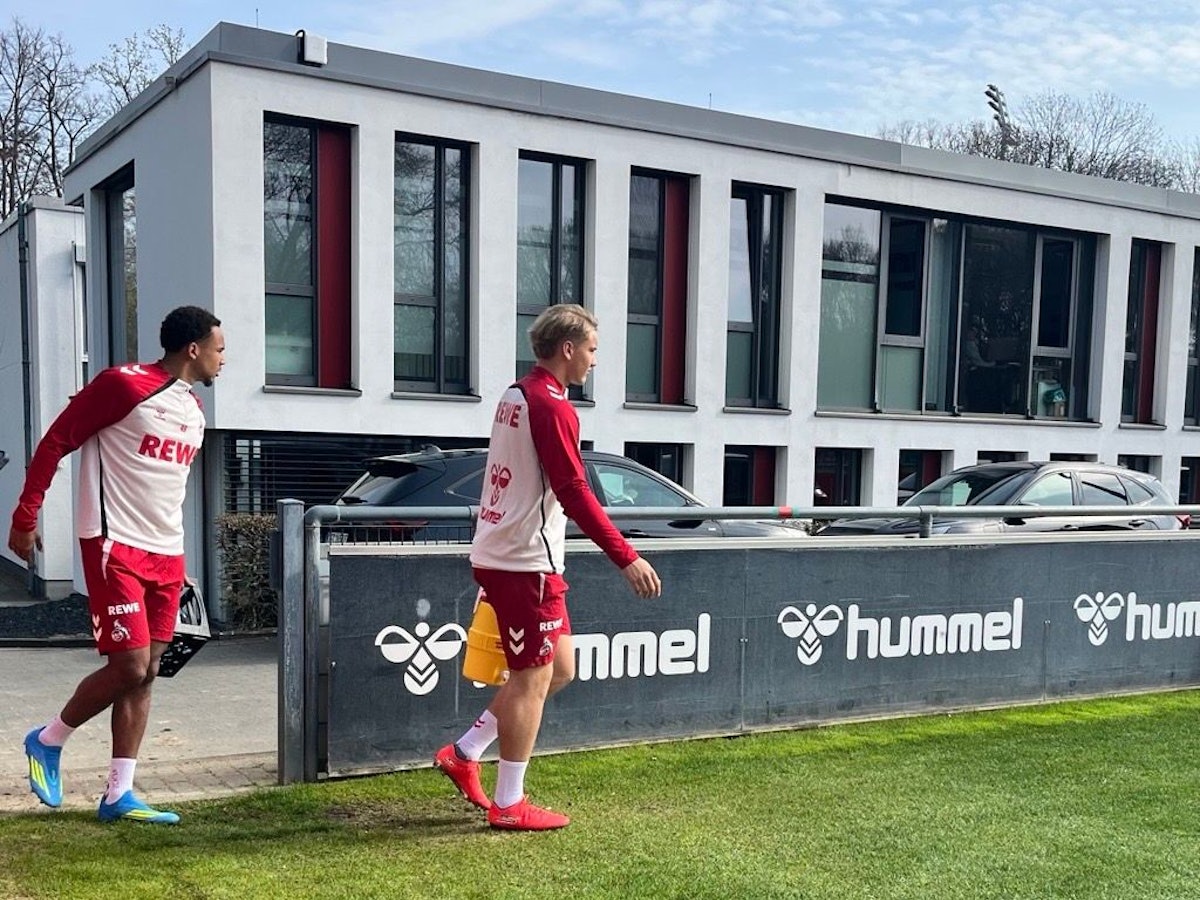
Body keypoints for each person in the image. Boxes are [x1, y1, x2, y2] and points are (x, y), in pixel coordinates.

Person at [434, 303, 661, 831]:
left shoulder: (518, 393)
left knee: (559, 671)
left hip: (513, 554)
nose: (594, 360)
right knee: (532, 680)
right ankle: (509, 804)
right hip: (523, 562)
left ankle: (465, 753)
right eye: (592, 349)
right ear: (567, 348)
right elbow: (574, 489)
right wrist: (626, 557)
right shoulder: (552, 405)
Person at [10, 306, 225, 825]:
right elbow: (57, 440)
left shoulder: (193, 410)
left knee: (148, 672)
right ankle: (47, 739)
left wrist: (181, 563)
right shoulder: (123, 386)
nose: (224, 359)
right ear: (192, 349)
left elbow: (166, 492)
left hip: (166, 554)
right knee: (127, 665)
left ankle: (118, 794)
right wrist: (25, 514)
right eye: (220, 349)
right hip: (114, 546)